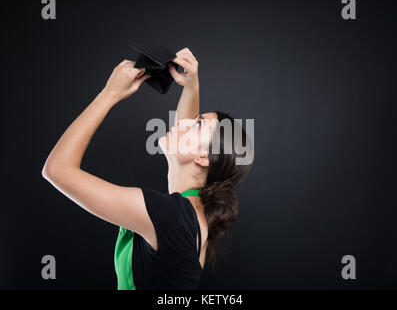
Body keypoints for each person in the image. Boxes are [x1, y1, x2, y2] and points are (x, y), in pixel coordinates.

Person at [42, 47, 253, 290]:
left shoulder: (172, 216)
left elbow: (57, 169)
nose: (184, 123)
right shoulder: (191, 211)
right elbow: (185, 145)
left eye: (196, 125)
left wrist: (109, 94)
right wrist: (191, 86)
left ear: (204, 157)